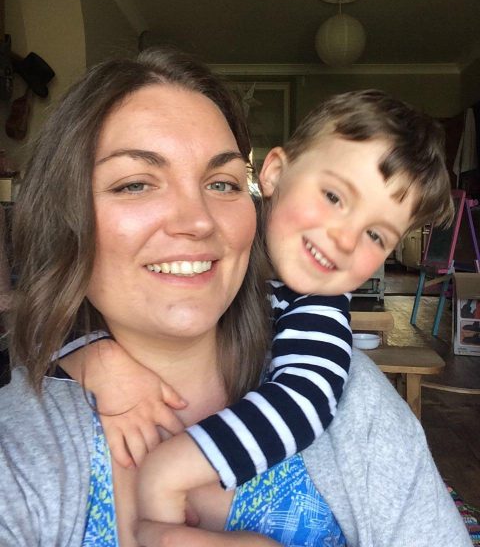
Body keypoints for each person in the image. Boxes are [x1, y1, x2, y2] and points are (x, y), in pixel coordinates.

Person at [0, 48, 471, 547]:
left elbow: (303, 400)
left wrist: (168, 470)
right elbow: (45, 314)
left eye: (222, 183)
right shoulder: (21, 447)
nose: (197, 221)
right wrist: (95, 357)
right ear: (273, 175)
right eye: (136, 184)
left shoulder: (344, 374)